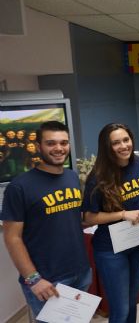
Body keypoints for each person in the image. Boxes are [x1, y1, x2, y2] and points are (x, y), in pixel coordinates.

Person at [1, 121, 90, 319]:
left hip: (81, 272)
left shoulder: (72, 177)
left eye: (63, 143)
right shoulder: (19, 187)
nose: (59, 148)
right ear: (39, 146)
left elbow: (74, 220)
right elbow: (12, 238)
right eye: (51, 143)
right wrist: (33, 279)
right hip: (48, 279)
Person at [82, 123, 139, 323]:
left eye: (126, 140)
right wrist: (122, 214)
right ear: (107, 147)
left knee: (132, 305)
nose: (123, 146)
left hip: (136, 243)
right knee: (120, 310)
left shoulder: (137, 163)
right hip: (111, 249)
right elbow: (87, 218)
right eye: (116, 143)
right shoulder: (98, 176)